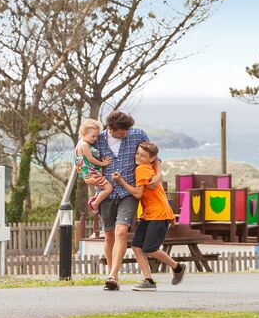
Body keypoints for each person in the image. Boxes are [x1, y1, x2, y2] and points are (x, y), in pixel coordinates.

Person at [84, 111, 162, 291]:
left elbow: (155, 158)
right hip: (106, 193)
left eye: (128, 129)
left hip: (128, 193)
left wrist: (157, 175)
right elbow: (84, 164)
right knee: (109, 234)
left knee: (121, 232)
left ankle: (111, 276)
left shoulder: (138, 134)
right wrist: (89, 179)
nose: (126, 133)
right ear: (111, 129)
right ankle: (115, 276)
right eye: (122, 131)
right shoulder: (98, 139)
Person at [112, 141, 186, 291]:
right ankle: (148, 280)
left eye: (143, 155)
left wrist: (121, 181)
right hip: (149, 214)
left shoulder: (142, 170)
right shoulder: (147, 167)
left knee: (150, 248)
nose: (138, 157)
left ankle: (177, 267)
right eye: (138, 153)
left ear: (152, 158)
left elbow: (138, 194)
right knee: (137, 246)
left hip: (159, 213)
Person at [74, 118, 113, 214]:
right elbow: (91, 159)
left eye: (97, 136)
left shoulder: (80, 143)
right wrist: (103, 164)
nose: (96, 139)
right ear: (83, 134)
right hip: (91, 173)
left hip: (87, 173)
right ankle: (95, 203)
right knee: (109, 188)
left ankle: (95, 198)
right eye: (93, 136)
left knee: (102, 186)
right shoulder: (84, 145)